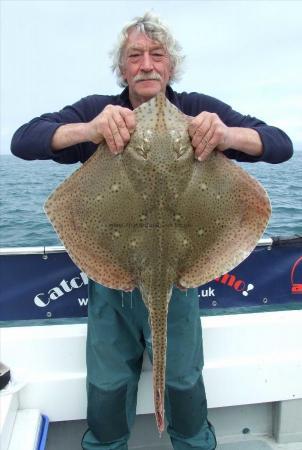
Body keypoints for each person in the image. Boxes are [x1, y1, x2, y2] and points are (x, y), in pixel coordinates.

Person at [11, 12, 293, 450]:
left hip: (182, 275)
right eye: (134, 56)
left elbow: (279, 144)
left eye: (156, 55)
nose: (146, 64)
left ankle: (192, 441)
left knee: (182, 381)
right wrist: (91, 130)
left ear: (170, 66)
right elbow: (23, 139)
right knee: (106, 386)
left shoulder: (200, 109)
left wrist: (226, 134)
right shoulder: (98, 111)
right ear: (122, 69)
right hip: (110, 275)